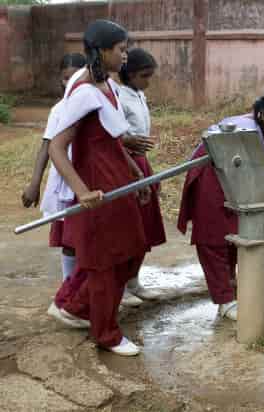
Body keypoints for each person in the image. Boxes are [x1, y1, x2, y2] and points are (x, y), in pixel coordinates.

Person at [47, 19, 149, 356]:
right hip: (97, 186)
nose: (125, 55)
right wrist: (82, 191)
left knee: (130, 250)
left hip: (117, 180)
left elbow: (113, 139)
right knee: (106, 261)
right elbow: (56, 147)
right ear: (102, 51)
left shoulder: (107, 85)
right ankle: (106, 333)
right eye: (120, 49)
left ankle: (75, 307)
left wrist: (136, 173)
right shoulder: (84, 91)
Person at [178, 89, 264, 320]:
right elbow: (253, 172)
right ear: (263, 115)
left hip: (240, 180)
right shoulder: (240, 129)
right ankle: (224, 300)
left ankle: (230, 287)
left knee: (237, 234)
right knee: (213, 238)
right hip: (213, 176)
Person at [23, 53, 87, 281]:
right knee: (69, 239)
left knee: (90, 235)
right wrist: (34, 184)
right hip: (66, 182)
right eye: (65, 78)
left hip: (90, 178)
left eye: (74, 77)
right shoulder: (59, 110)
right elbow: (46, 147)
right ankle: (69, 285)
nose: (69, 83)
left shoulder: (93, 104)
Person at [118, 48, 166, 305]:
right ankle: (121, 285)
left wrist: (149, 170)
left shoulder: (139, 94)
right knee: (129, 228)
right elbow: (114, 137)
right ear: (130, 74)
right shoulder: (118, 97)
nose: (148, 81)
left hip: (141, 162)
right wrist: (128, 144)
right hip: (125, 165)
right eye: (144, 76)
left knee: (145, 226)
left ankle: (133, 281)